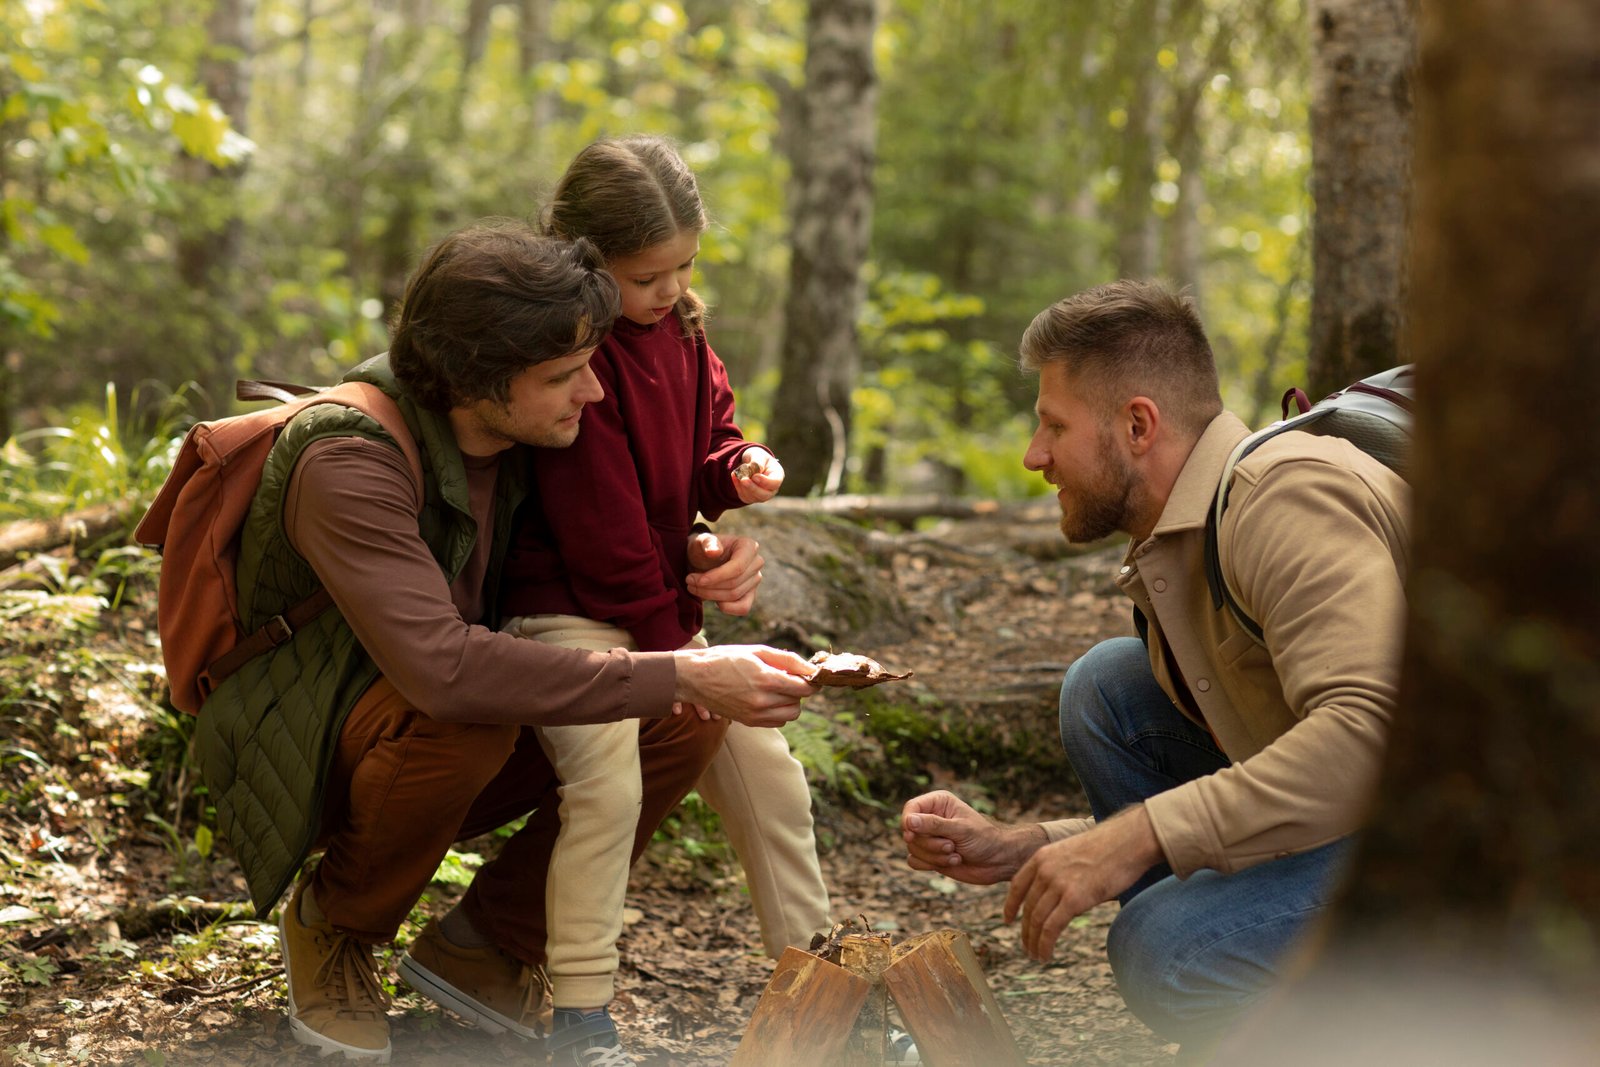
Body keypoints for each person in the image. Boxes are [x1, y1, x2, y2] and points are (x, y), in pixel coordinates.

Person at [193, 220, 820, 1063]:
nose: (592, 392)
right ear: (475, 376)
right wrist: (684, 669)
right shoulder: (348, 460)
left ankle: (483, 947)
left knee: (678, 720)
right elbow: (446, 671)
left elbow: (601, 539)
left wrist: (702, 549)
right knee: (470, 717)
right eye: (563, 375)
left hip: (416, 714)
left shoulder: (526, 430)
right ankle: (334, 924)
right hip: (304, 734)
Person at [901, 280, 1409, 1052]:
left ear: (1138, 425)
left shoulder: (1285, 497)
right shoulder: (1188, 538)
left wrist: (1135, 835)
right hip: (1366, 819)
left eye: (1054, 425)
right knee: (1108, 688)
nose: (1035, 456)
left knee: (1168, 950)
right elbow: (1269, 764)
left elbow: (1368, 739)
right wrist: (1033, 844)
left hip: (1481, 850)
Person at [493, 135, 831, 1065]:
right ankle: (581, 1015)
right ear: (583, 258)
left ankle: (822, 992)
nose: (672, 289)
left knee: (770, 774)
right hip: (563, 608)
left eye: (686, 266)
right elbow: (599, 533)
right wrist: (680, 658)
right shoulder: (574, 355)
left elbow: (705, 440)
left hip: (657, 609)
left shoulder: (681, 330)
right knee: (607, 782)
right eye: (648, 275)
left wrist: (738, 466)